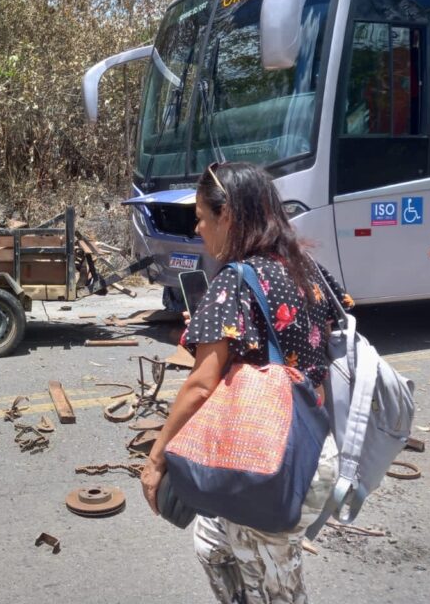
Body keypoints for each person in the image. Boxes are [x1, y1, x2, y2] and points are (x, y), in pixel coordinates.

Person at [140, 161, 350, 604]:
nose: (199, 229)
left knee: (278, 594)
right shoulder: (306, 267)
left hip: (269, 463)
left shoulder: (235, 281)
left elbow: (200, 385)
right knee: (212, 541)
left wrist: (157, 460)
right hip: (312, 446)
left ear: (228, 215)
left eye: (200, 217)